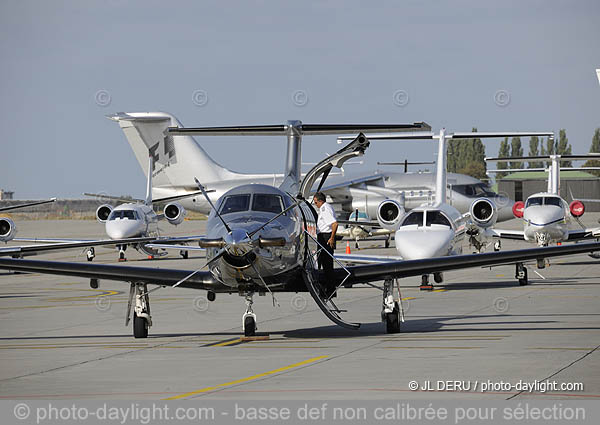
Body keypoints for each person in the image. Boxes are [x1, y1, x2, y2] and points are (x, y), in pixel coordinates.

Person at [312, 192, 338, 296]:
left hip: (326, 237)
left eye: (315, 202)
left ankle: (331, 290)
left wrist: (331, 238)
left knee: (327, 265)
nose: (315, 204)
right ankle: (325, 288)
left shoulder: (325, 209)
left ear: (320, 201)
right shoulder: (325, 207)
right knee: (322, 263)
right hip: (323, 237)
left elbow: (334, 224)